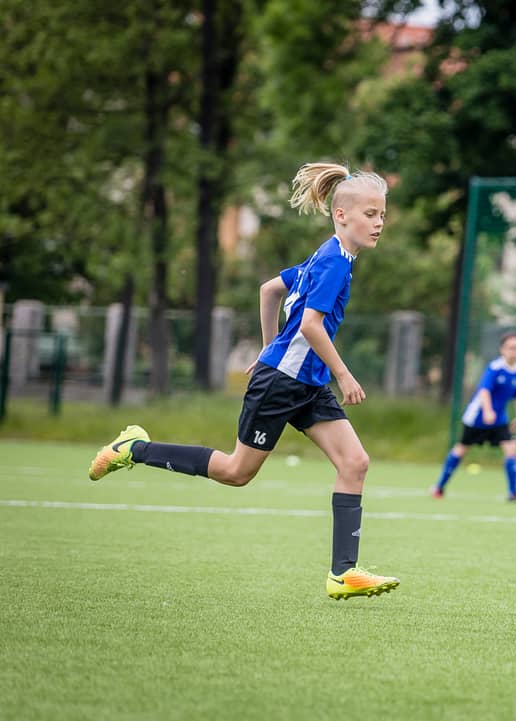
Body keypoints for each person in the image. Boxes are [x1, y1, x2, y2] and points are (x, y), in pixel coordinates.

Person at [88, 162, 400, 600]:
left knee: (355, 463)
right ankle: (134, 449)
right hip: (284, 384)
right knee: (237, 472)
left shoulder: (331, 255)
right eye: (370, 214)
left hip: (304, 382)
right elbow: (310, 325)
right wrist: (341, 373)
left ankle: (342, 573)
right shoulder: (333, 262)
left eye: (382, 214)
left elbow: (269, 289)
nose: (379, 223)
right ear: (341, 215)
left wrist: (271, 349)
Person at [431, 332, 516, 501]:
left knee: (512, 448)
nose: (514, 351)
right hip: (477, 417)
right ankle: (439, 487)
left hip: (499, 419)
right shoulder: (495, 368)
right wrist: (487, 410)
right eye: (511, 348)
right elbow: (484, 390)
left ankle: (513, 492)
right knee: (462, 448)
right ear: (502, 349)